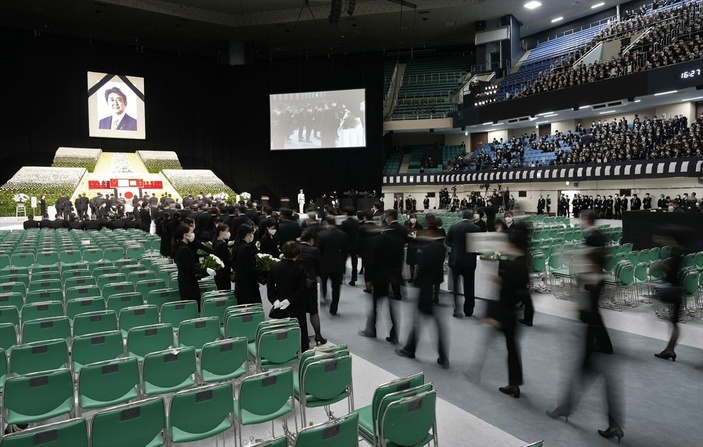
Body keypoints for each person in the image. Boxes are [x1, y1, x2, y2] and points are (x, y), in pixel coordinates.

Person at [547, 210, 624, 444]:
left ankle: (572, 409)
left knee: (589, 372)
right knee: (586, 372)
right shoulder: (601, 240)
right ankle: (569, 408)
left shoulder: (592, 242)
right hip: (596, 336)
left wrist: (580, 303)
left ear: (585, 219)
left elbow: (587, 271)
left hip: (595, 338)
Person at [395, 229, 449, 368]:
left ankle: (410, 349)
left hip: (424, 288)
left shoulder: (426, 249)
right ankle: (441, 356)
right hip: (432, 286)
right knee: (431, 323)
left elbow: (422, 269)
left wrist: (416, 284)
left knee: (418, 321)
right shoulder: (441, 248)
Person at [652, 226, 692, 362]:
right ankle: (670, 349)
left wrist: (660, 266)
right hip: (678, 289)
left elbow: (671, 272)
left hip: (674, 289)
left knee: (673, 322)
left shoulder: (675, 253)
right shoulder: (681, 252)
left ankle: (670, 349)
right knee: (674, 322)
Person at [267, 241, 309, 352]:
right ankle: (300, 350)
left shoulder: (275, 266)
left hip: (280, 305)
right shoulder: (300, 268)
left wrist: (274, 300)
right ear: (297, 253)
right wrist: (290, 300)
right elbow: (302, 289)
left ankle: (283, 351)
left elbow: (270, 287)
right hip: (296, 306)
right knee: (299, 330)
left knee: (283, 331)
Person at [445, 210, 481, 317]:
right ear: (471, 217)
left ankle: (456, 308)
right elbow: (478, 245)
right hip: (469, 260)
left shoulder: (453, 227)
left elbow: (447, 241)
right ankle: (468, 310)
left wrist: (455, 247)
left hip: (455, 260)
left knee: (456, 287)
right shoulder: (476, 228)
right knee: (469, 286)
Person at [172, 222, 215, 310]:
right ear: (185, 235)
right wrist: (206, 270)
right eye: (191, 232)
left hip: (184, 279)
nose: (192, 234)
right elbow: (191, 268)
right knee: (192, 306)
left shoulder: (180, 245)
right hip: (188, 282)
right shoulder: (184, 249)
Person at [298, 230, 327, 347]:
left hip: (297, 282)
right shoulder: (314, 250)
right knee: (313, 311)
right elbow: (319, 267)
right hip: (311, 283)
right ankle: (318, 335)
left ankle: (302, 337)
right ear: (311, 240)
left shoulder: (296, 249)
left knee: (299, 311)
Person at [317, 216, 349, 316]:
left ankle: (324, 297)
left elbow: (318, 251)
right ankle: (334, 306)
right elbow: (346, 250)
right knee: (336, 287)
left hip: (324, 264)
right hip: (338, 264)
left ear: (326, 222)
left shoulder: (321, 235)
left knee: (323, 282)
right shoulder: (343, 235)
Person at [231, 224, 261, 305]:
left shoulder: (237, 246)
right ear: (248, 234)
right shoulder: (246, 248)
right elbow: (250, 268)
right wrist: (264, 271)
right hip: (248, 284)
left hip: (240, 282)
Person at [212, 223, 233, 291]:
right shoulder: (221, 244)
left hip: (220, 271)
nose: (228, 233)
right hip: (223, 272)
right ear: (221, 232)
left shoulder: (217, 241)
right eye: (227, 231)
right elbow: (227, 258)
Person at [404, 212, 423, 282]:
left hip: (417, 245)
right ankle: (412, 277)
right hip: (410, 245)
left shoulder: (419, 226)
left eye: (414, 218)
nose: (413, 219)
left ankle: (418, 277)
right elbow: (406, 236)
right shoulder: (407, 226)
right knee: (411, 263)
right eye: (412, 218)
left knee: (418, 263)